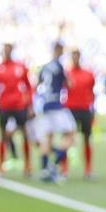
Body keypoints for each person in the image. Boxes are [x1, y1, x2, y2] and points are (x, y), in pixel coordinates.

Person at [0, 43, 32, 175]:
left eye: (9, 49)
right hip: (4, 106)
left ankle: (27, 165)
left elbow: (28, 86)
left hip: (19, 105)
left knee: (25, 135)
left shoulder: (20, 67)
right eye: (5, 49)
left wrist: (29, 104)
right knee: (3, 136)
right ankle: (1, 166)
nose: (7, 51)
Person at [31, 42, 75, 183]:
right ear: (59, 50)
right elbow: (69, 84)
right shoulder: (58, 66)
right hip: (56, 105)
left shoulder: (44, 67)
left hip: (46, 105)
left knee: (47, 137)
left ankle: (44, 169)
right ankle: (54, 163)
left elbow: (37, 84)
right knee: (70, 134)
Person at [65, 47, 97, 179]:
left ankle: (88, 169)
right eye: (73, 56)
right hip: (70, 109)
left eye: (77, 55)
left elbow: (92, 93)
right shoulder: (66, 74)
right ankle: (64, 168)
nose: (75, 58)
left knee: (87, 139)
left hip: (84, 109)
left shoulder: (88, 74)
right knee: (67, 139)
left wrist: (93, 109)